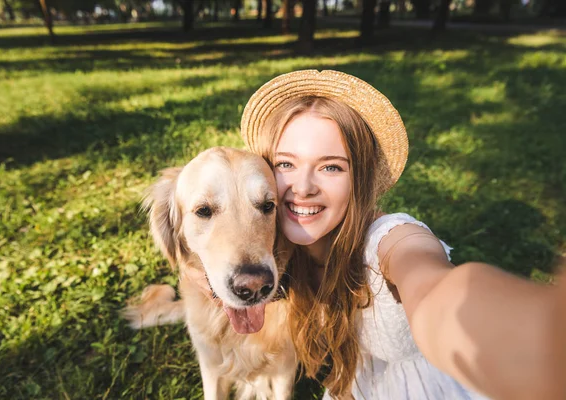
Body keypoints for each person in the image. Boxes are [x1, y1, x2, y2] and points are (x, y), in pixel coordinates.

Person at [239, 70, 566, 400]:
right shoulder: (271, 249)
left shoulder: (389, 240)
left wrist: (535, 339)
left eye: (331, 167)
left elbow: (434, 287)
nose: (304, 187)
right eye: (285, 164)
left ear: (359, 178)